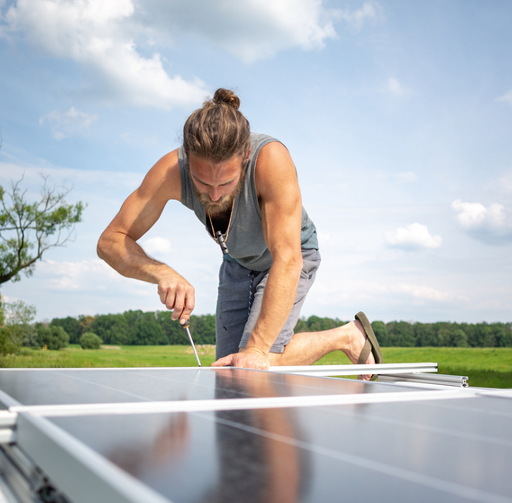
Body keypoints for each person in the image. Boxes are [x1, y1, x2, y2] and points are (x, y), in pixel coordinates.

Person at [97, 88, 383, 376]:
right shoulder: (171, 170)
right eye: (202, 182)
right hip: (237, 262)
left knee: (252, 366)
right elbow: (110, 241)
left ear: (245, 155)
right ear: (188, 158)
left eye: (226, 182)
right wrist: (162, 272)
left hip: (288, 257)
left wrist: (257, 349)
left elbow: (288, 259)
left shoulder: (271, 160)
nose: (215, 194)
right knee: (229, 373)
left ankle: (345, 336)